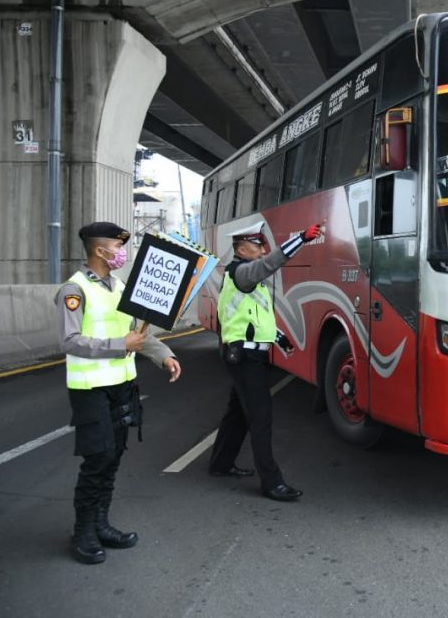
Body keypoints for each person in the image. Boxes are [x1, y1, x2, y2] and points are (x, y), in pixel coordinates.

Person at [55, 222, 183, 565]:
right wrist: (119, 345)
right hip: (90, 388)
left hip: (121, 386)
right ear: (100, 250)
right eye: (118, 245)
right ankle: (83, 531)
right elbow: (69, 341)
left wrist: (164, 355)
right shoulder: (74, 289)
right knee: (98, 459)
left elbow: (135, 333)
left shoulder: (120, 287)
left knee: (113, 457)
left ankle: (101, 524)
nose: (122, 252)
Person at [210, 219, 323, 501]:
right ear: (241, 249)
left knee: (238, 412)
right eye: (258, 246)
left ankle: (221, 463)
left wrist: (279, 337)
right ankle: (272, 483)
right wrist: (301, 238)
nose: (263, 251)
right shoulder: (242, 273)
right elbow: (270, 264)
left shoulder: (247, 281)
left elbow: (254, 318)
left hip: (246, 354)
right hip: (245, 357)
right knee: (261, 418)